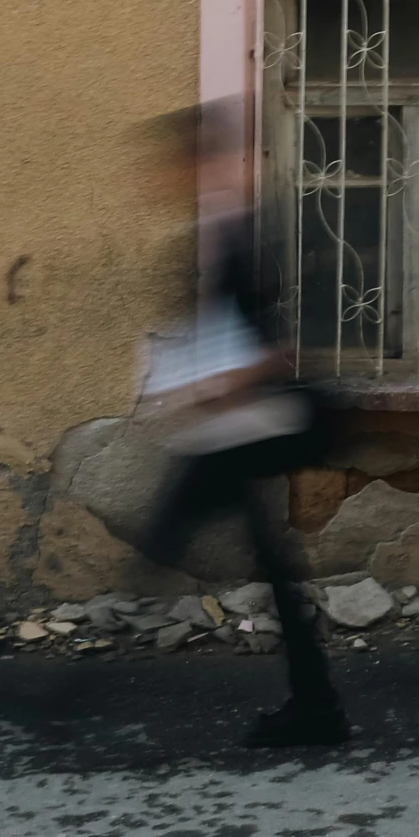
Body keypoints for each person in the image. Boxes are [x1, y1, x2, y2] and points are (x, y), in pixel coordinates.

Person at [135, 101, 349, 748]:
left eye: (180, 161)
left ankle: (66, 709)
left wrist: (216, 385)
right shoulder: (221, 228)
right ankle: (316, 708)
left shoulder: (247, 233)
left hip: (262, 419)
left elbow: (283, 345)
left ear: (201, 162)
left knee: (168, 536)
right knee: (268, 559)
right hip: (242, 423)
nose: (168, 176)